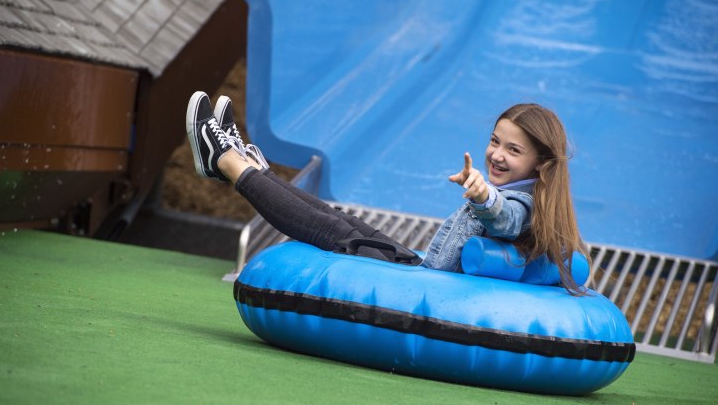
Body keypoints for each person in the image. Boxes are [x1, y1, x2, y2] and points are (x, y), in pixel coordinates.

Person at [186, 91, 589, 293]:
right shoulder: (530, 192)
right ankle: (250, 166)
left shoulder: (523, 202)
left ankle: (226, 161)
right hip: (421, 268)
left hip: (424, 284)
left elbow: (505, 217)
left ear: (539, 162)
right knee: (340, 220)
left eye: (513, 150)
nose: (496, 155)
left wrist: (484, 195)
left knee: (326, 229)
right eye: (495, 141)